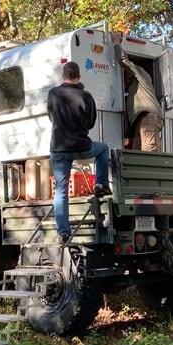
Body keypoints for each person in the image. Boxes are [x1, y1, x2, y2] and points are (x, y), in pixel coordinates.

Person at [47, 61, 111, 241]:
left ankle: (63, 232)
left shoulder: (53, 94)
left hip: (59, 149)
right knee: (103, 149)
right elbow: (90, 123)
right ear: (78, 77)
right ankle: (100, 184)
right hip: (82, 147)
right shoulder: (86, 96)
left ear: (63, 76)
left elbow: (51, 117)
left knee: (61, 190)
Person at [111, 32, 164, 152]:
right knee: (136, 154)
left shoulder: (141, 75)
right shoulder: (132, 88)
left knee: (149, 150)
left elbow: (124, 61)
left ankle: (151, 170)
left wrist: (116, 44)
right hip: (141, 121)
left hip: (149, 117)